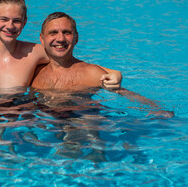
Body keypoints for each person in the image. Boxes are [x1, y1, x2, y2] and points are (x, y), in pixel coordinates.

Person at [0, 0, 122, 89]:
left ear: (24, 22)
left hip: (19, 116)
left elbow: (68, 61)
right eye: (4, 19)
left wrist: (115, 73)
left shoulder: (34, 52)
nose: (10, 26)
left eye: (16, 21)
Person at [31, 12, 174, 117]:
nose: (60, 38)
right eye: (53, 33)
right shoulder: (34, 71)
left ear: (76, 38)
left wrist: (156, 108)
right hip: (44, 121)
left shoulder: (91, 73)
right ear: (42, 39)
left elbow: (122, 92)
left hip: (82, 122)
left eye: (67, 32)